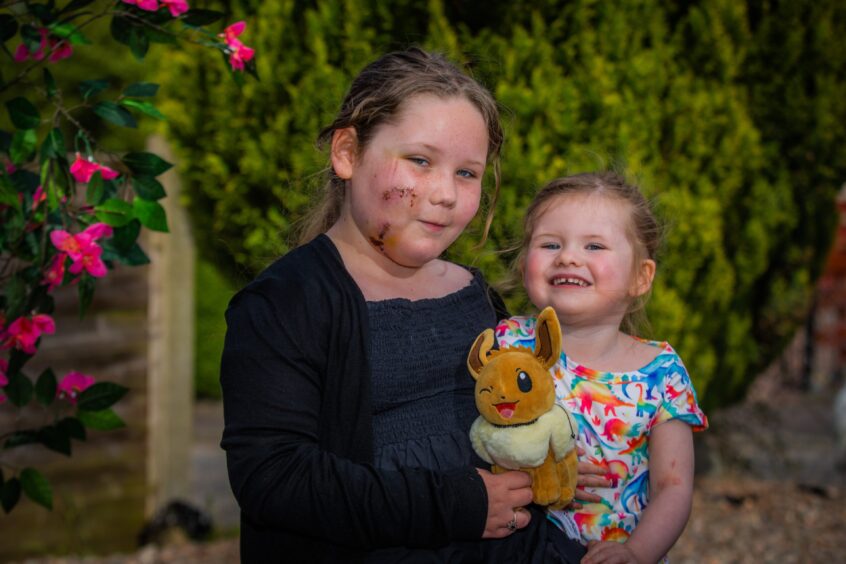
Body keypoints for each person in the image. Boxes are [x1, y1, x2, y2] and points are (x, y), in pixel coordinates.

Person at [220, 48, 604, 563]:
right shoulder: (285, 304)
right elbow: (275, 478)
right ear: (347, 153)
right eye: (421, 161)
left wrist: (548, 461)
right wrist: (455, 503)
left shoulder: (475, 295)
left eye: (467, 174)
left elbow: (508, 422)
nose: (445, 193)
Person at [495, 173, 708, 563]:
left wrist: (636, 553)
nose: (568, 256)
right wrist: (540, 475)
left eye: (594, 245)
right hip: (519, 548)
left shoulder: (661, 373)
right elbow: (474, 439)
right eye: (550, 244)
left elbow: (673, 486)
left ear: (640, 277)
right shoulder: (509, 347)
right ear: (525, 261)